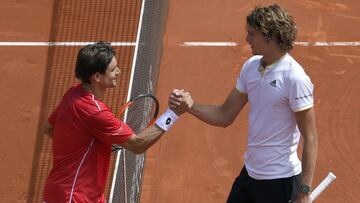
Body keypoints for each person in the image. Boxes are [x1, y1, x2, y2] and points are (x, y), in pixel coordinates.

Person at [169, 4, 318, 203]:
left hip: (280, 180)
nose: (247, 40)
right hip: (250, 174)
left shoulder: (294, 78)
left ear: (269, 36)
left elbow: (311, 138)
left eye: (251, 34)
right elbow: (225, 115)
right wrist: (190, 106)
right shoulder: (251, 67)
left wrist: (304, 190)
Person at [42, 41, 189, 203]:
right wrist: (172, 114)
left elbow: (49, 128)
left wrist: (88, 144)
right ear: (97, 76)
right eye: (113, 69)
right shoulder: (96, 111)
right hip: (74, 197)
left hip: (74, 193)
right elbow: (137, 144)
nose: (118, 72)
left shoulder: (73, 93)